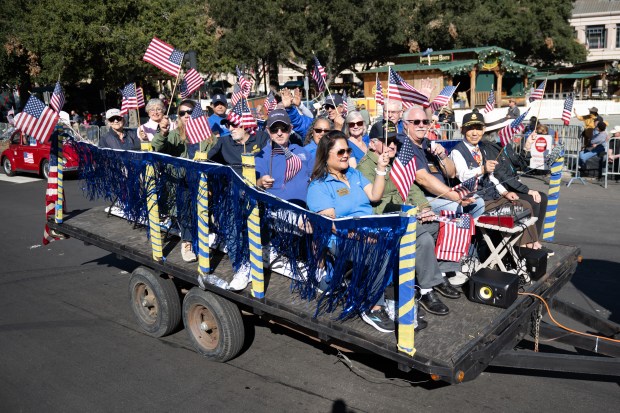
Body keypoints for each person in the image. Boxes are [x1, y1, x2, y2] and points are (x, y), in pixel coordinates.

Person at [357, 122, 461, 317]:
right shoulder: (366, 168)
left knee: (441, 226)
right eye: (387, 141)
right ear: (372, 144)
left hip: (404, 214)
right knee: (423, 239)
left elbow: (412, 188)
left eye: (395, 141)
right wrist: (411, 211)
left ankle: (432, 276)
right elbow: (377, 204)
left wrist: (425, 207)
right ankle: (427, 290)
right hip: (386, 221)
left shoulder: (395, 161)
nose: (393, 145)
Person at [307, 130, 393, 333]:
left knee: (401, 241)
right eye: (340, 152)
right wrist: (363, 236)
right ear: (326, 155)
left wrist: (381, 169)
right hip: (340, 238)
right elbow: (332, 225)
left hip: (368, 231)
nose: (346, 154)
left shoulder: (354, 174)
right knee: (380, 250)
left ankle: (368, 287)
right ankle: (372, 305)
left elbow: (374, 195)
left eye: (347, 150)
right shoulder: (318, 186)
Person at [450, 109, 542, 250]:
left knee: (525, 205)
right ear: (462, 130)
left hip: (493, 196)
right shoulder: (457, 151)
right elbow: (462, 176)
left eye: (478, 129)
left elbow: (492, 176)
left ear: (484, 130)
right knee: (518, 211)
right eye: (470, 129)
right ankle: (522, 251)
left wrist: (505, 192)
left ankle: (528, 248)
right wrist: (482, 169)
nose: (475, 133)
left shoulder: (481, 149)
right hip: (476, 200)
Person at [152, 100, 214, 262]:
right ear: (178, 116)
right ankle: (186, 242)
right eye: (182, 113)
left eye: (190, 111)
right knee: (185, 205)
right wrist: (163, 133)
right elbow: (157, 148)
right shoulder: (174, 134)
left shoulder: (208, 136)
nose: (186, 115)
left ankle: (206, 238)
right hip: (181, 182)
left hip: (204, 182)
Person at [401, 107, 484, 216]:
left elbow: (451, 174)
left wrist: (443, 156)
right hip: (423, 198)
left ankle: (470, 232)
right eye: (416, 122)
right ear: (405, 124)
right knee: (454, 207)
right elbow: (422, 178)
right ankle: (457, 232)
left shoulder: (427, 143)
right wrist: (455, 196)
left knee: (478, 202)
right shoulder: (403, 143)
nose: (421, 125)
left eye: (425, 122)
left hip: (443, 193)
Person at [255, 109, 314, 208]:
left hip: (308, 209)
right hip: (278, 212)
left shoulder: (301, 151)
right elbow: (254, 183)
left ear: (290, 129)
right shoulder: (262, 156)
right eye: (274, 129)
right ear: (268, 130)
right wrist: (261, 182)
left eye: (284, 128)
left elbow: (316, 175)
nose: (279, 133)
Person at [207, 111, 270, 176]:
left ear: (245, 124)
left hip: (259, 178)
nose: (230, 129)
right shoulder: (224, 141)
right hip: (233, 181)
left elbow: (271, 160)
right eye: (227, 125)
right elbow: (208, 159)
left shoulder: (261, 137)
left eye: (234, 124)